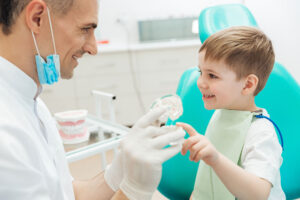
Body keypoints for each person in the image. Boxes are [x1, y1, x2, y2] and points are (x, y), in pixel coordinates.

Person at [0, 0, 185, 200]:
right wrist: (134, 191)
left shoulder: (31, 99)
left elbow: (70, 194)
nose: (93, 48)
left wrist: (118, 172)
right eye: (85, 29)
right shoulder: (6, 135)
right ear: (37, 18)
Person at [176, 26, 286, 200]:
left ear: (248, 85)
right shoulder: (222, 114)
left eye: (212, 76)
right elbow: (207, 180)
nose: (200, 82)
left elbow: (258, 194)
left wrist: (215, 159)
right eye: (200, 72)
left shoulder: (261, 133)